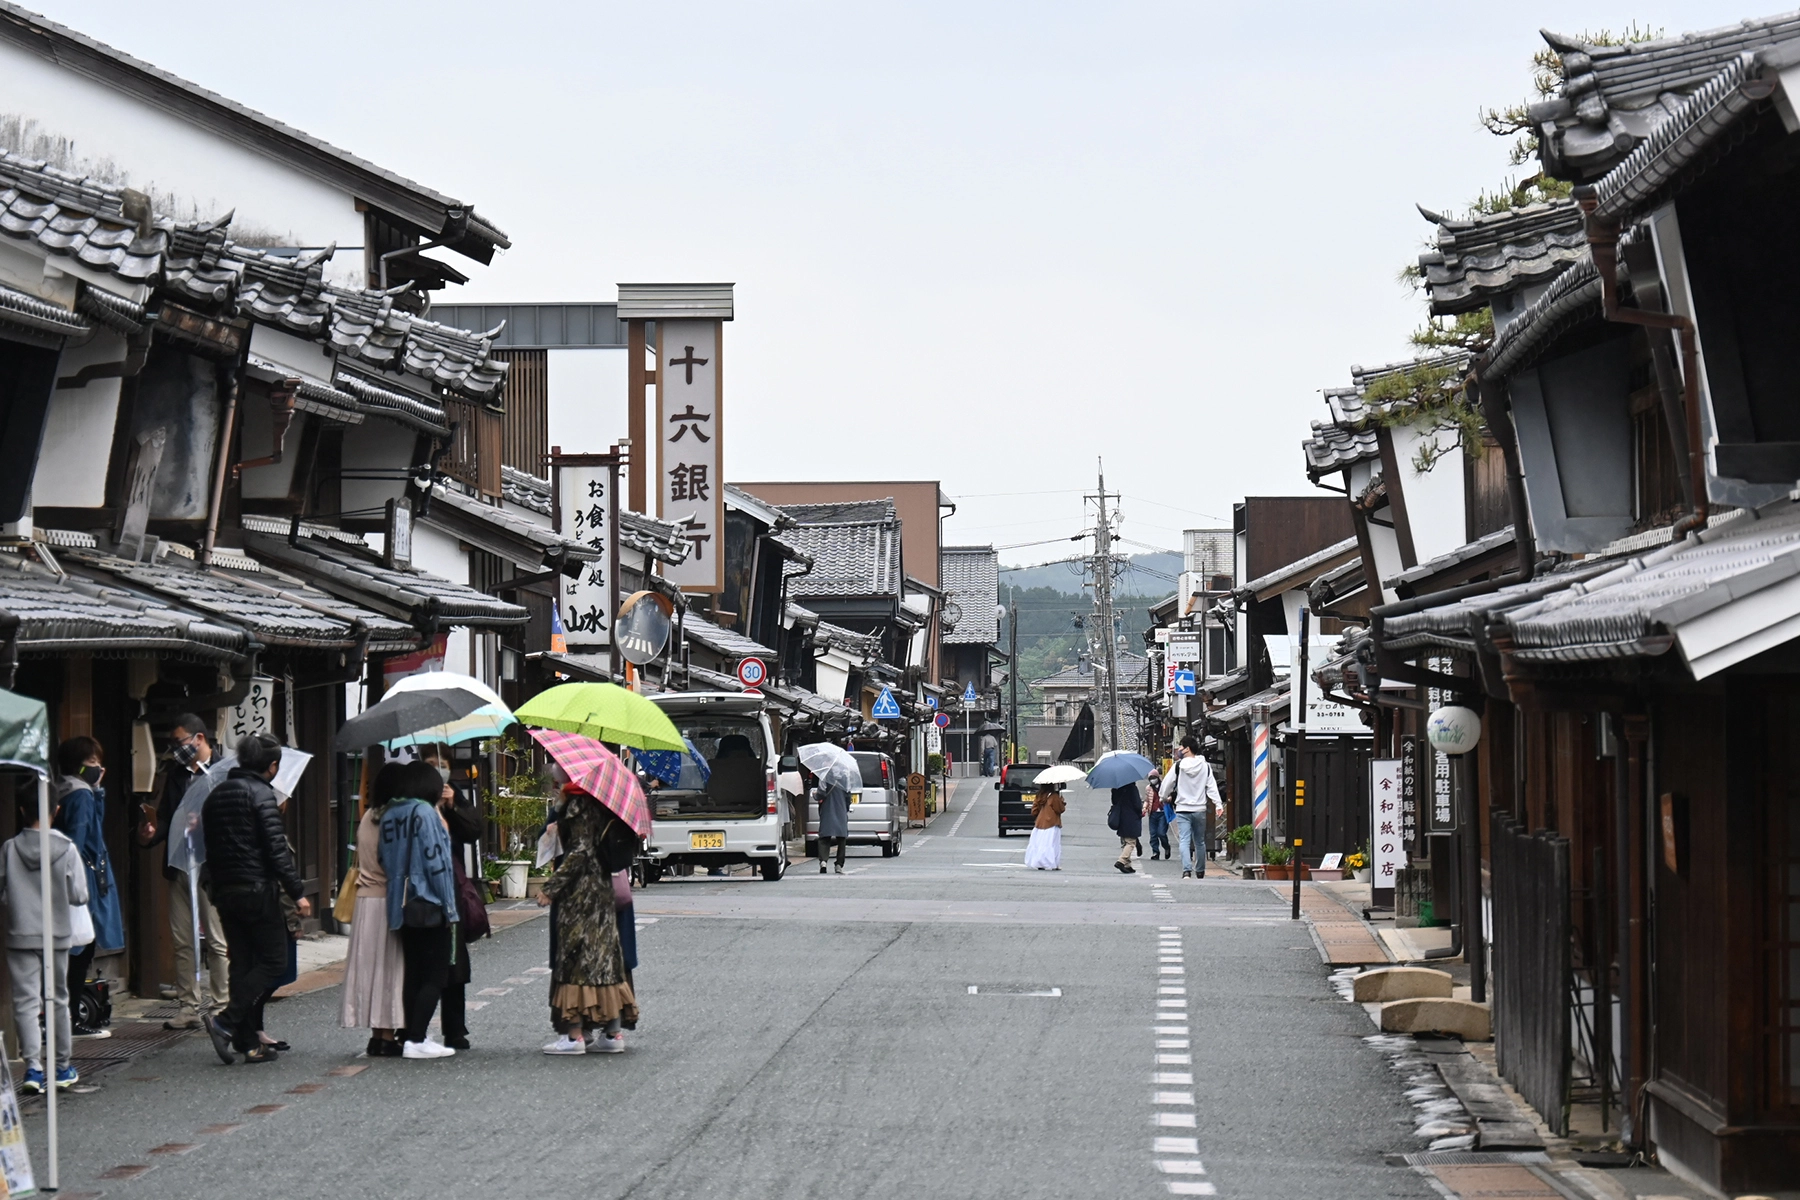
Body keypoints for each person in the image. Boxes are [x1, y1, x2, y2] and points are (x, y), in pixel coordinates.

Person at [201, 734, 309, 1064]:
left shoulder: (214, 797)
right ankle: (225, 1021)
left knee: (243, 964)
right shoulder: (262, 795)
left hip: (224, 892)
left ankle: (248, 1043)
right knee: (274, 961)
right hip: (258, 891)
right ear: (272, 766)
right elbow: (277, 853)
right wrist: (298, 893)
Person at [139, 715, 232, 1031]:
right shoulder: (177, 775)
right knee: (183, 939)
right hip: (180, 864)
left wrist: (204, 823)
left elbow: (234, 821)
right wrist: (151, 832)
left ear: (200, 739)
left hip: (212, 867)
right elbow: (166, 817)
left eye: (181, 742)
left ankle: (221, 1006)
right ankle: (188, 1006)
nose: (176, 749)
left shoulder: (224, 773)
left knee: (217, 941)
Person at [538, 768, 639, 1056]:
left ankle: (574, 1037)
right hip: (602, 890)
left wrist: (551, 887)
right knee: (605, 958)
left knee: (574, 958)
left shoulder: (578, 803)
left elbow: (579, 851)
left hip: (579, 895)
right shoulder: (605, 802)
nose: (555, 770)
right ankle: (613, 1032)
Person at [0, 792, 86, 1093]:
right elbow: (80, 895)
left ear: (22, 809)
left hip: (20, 933)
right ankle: (62, 1068)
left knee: (25, 1003)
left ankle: (33, 1070)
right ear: (56, 810)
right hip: (57, 934)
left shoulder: (9, 848)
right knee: (58, 999)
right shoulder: (66, 848)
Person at [378, 760, 459, 1061]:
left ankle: (411, 1035)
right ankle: (416, 1038)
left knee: (413, 973)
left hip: (400, 902)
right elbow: (437, 862)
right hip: (428, 900)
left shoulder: (389, 813)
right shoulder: (425, 812)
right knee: (435, 974)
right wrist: (450, 906)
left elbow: (383, 857)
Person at [52, 736, 122, 1037]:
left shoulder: (65, 790)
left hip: (73, 876)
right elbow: (80, 841)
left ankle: (67, 1017)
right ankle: (70, 1019)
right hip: (85, 879)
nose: (98, 768)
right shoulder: (81, 796)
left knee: (74, 947)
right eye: (91, 763)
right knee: (81, 947)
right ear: (78, 766)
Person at [340, 762, 406, 1058]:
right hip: (386, 899)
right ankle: (387, 1032)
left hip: (364, 900)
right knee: (390, 968)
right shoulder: (394, 819)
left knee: (369, 968)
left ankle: (376, 1035)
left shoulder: (368, 815)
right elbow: (393, 863)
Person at [429, 754, 485, 1051]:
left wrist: (453, 806)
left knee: (455, 961)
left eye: (442, 765)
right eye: (431, 765)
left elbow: (473, 832)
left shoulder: (454, 795)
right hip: (426, 890)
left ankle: (455, 1028)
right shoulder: (417, 802)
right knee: (427, 964)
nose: (439, 771)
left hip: (454, 886)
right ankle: (416, 1029)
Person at [1159, 736, 1222, 880]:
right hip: (1200, 809)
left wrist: (1163, 797)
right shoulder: (1204, 766)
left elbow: (1167, 784)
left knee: (1185, 841)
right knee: (1200, 841)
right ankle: (1200, 871)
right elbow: (1211, 786)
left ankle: (1186, 871)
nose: (1179, 749)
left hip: (1182, 809)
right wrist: (1218, 804)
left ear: (1187, 749)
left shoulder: (1178, 766)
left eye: (1181, 747)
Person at [815, 767, 849, 875]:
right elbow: (848, 794)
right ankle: (839, 864)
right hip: (841, 807)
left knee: (824, 836)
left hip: (827, 807)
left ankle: (823, 862)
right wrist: (846, 807)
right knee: (841, 837)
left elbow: (821, 792)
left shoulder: (825, 775)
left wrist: (815, 795)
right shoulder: (845, 776)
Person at [1022, 784, 1064, 870]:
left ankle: (1039, 863)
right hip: (1051, 823)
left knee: (1040, 844)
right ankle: (1052, 863)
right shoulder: (1054, 796)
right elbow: (1060, 809)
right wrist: (1062, 801)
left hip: (1040, 823)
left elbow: (1034, 811)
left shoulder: (1040, 795)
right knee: (1052, 844)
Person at [1110, 781, 1143, 874]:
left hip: (1120, 817)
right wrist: (1140, 812)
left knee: (1125, 841)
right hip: (1131, 817)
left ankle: (1127, 865)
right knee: (1131, 842)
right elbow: (1137, 804)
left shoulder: (1115, 789)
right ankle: (1122, 861)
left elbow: (1114, 802)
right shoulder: (1132, 788)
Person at [1146, 770, 1171, 860]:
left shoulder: (1164, 787)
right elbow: (1147, 800)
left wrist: (1168, 799)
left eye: (1154, 778)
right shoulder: (1148, 788)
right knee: (1153, 834)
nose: (1152, 780)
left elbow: (1170, 795)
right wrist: (1145, 807)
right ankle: (1155, 852)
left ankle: (1166, 846)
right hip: (1152, 813)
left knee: (1161, 833)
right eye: (1151, 778)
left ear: (1157, 777)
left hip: (1162, 813)